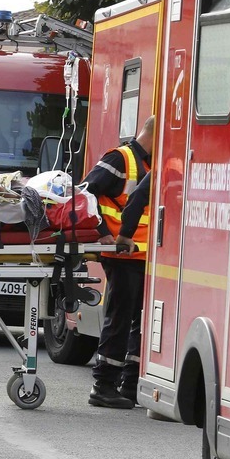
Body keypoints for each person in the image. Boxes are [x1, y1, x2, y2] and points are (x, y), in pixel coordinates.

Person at [81, 115, 155, 409]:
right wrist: (101, 234)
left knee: (140, 323)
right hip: (121, 254)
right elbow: (84, 192)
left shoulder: (149, 164)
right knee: (121, 319)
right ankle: (104, 384)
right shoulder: (121, 158)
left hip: (144, 255)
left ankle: (130, 384)